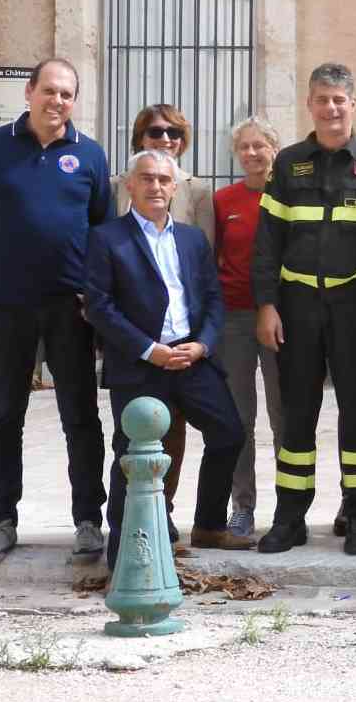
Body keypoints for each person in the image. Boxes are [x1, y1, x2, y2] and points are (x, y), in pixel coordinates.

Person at [0, 58, 110, 561]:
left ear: (74, 101)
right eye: (49, 90)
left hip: (71, 307)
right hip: (6, 302)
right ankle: (2, 519)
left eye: (66, 94)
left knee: (80, 414)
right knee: (5, 413)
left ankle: (88, 519)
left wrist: (99, 297)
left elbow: (103, 232)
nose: (57, 101)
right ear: (29, 92)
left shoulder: (89, 154)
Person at [252, 63, 356, 556]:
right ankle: (290, 517)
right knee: (297, 414)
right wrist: (267, 305)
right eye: (322, 99)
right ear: (309, 105)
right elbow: (268, 242)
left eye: (339, 100)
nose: (331, 108)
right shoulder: (290, 163)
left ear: (353, 105)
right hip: (297, 308)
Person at [84, 150, 254, 566]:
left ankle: (209, 525)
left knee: (229, 432)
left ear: (175, 187)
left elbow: (212, 298)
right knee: (132, 454)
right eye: (147, 178)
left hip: (191, 356)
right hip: (140, 364)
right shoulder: (107, 238)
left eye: (163, 179)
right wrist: (149, 350)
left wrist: (203, 345)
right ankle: (123, 554)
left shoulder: (192, 239)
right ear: (130, 185)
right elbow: (100, 307)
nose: (156, 186)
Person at [112, 102, 216, 540]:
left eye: (174, 133)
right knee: (133, 431)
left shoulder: (198, 190)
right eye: (156, 132)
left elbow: (204, 255)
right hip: (132, 331)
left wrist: (200, 337)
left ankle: (163, 512)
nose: (166, 139)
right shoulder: (116, 185)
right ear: (140, 137)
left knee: (175, 427)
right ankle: (127, 529)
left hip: (181, 331)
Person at [215, 116, 284, 538]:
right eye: (245, 146)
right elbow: (212, 257)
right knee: (239, 417)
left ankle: (289, 505)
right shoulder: (224, 201)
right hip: (234, 318)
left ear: (274, 148)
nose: (252, 153)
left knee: (283, 417)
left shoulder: (288, 197)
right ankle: (242, 506)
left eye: (260, 145)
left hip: (279, 318)